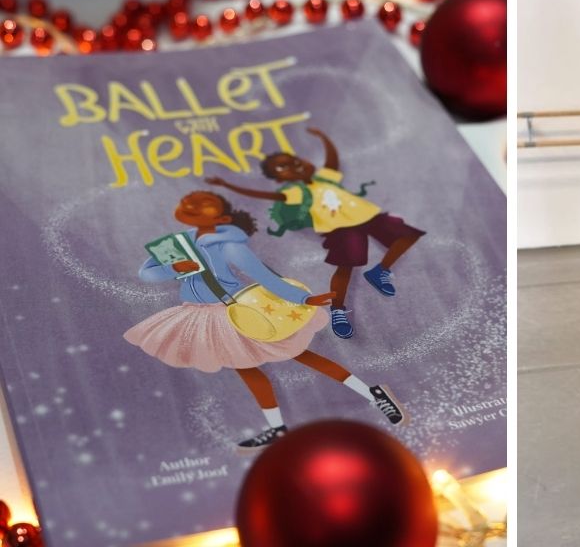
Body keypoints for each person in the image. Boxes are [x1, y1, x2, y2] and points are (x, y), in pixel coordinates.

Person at [124, 191, 406, 450]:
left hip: (237, 311)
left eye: (199, 209)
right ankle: (277, 428)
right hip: (201, 314)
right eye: (188, 206)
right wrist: (173, 268)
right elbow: (146, 273)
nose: (189, 208)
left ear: (221, 219)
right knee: (247, 370)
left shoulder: (229, 247)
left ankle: (372, 393)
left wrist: (304, 299)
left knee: (301, 355)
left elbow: (266, 278)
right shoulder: (178, 243)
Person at [206, 127, 425, 340]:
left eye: (294, 160)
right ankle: (338, 310)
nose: (295, 165)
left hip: (369, 215)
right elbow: (266, 195)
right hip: (340, 228)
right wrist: (227, 184)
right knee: (346, 267)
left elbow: (332, 162)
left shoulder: (325, 179)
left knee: (407, 235)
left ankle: (380, 271)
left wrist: (324, 139)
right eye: (283, 167)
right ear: (280, 180)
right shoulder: (294, 192)